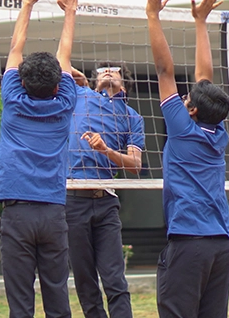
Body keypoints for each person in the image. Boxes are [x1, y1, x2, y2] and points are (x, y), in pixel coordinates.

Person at [146, 0, 229, 318]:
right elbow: (204, 79)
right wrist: (200, 23)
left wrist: (153, 15)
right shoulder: (219, 130)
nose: (184, 98)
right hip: (222, 245)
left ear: (193, 110)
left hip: (189, 243)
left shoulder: (182, 128)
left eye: (187, 99)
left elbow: (164, 69)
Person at [0, 0, 79, 318]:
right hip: (52, 213)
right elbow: (64, 57)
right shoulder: (66, 103)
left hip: (18, 213)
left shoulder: (13, 102)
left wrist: (27, 2)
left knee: (20, 305)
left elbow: (16, 47)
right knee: (58, 298)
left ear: (23, 81)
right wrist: (70, 10)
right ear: (59, 85)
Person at [66, 62, 145, 318]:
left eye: (114, 69)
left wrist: (105, 151)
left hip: (106, 202)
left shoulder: (132, 117)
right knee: (85, 281)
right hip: (72, 200)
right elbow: (62, 64)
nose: (108, 72)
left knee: (115, 280)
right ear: (93, 79)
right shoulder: (80, 95)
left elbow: (135, 165)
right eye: (102, 70)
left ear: (125, 81)